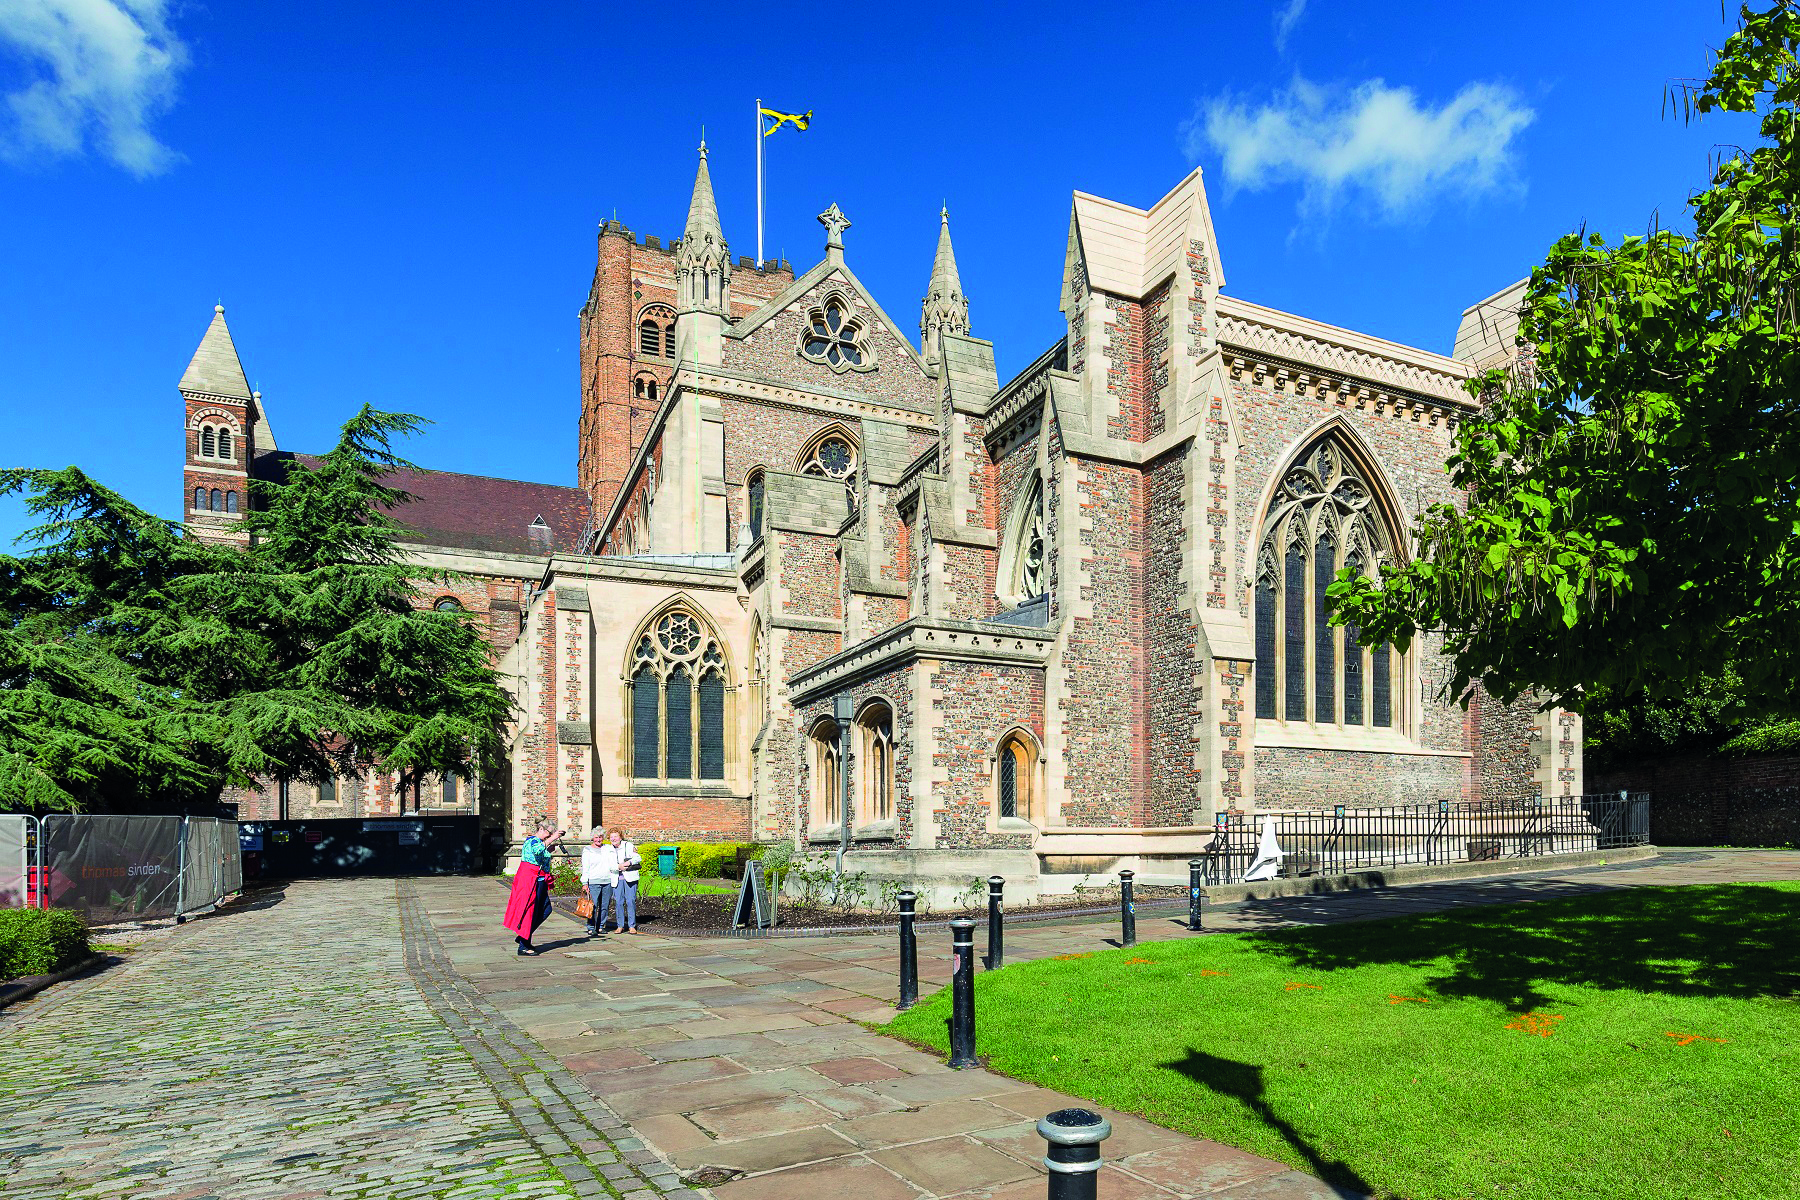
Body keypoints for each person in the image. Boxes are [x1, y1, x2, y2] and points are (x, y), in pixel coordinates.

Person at [502, 819, 563, 955]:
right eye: (548, 833)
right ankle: (523, 945)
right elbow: (537, 850)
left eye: (551, 834)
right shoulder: (532, 841)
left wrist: (549, 847)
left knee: (545, 909)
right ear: (541, 829)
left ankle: (523, 937)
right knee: (529, 911)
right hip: (530, 880)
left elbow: (541, 855)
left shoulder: (540, 842)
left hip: (539, 880)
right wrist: (552, 838)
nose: (549, 836)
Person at [607, 828, 642, 934]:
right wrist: (618, 867)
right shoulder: (608, 849)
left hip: (630, 877)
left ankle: (632, 925)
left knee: (630, 901)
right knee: (618, 902)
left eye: (616, 836)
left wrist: (627, 864)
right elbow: (608, 865)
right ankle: (620, 925)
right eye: (611, 837)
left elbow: (638, 858)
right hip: (616, 878)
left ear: (620, 837)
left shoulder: (628, 845)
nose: (614, 839)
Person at [579, 827, 612, 937]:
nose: (598, 839)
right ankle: (591, 927)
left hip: (607, 881)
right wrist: (585, 883)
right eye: (596, 837)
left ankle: (601, 926)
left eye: (601, 837)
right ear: (592, 838)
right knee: (593, 906)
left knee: (605, 906)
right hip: (593, 881)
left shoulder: (608, 848)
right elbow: (585, 867)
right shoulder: (587, 850)